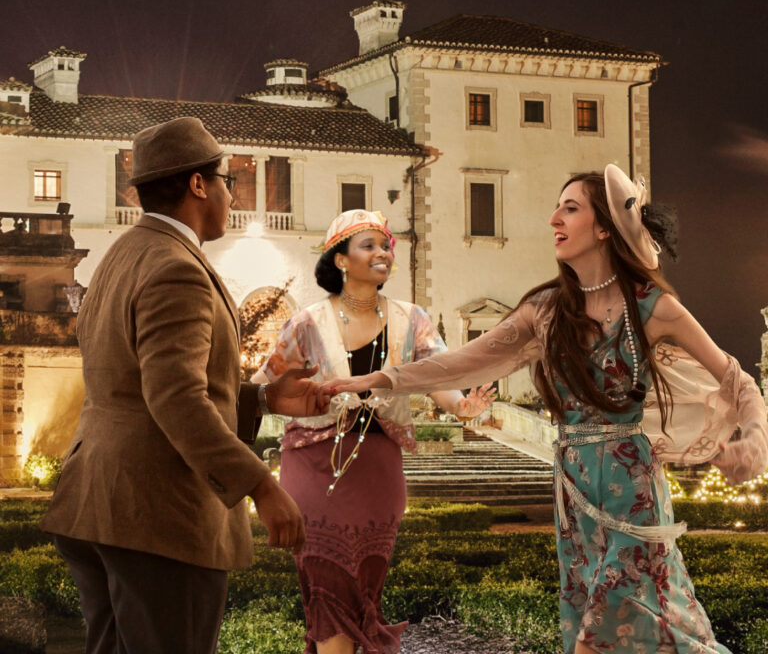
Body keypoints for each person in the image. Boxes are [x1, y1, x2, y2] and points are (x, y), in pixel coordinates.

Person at [323, 167, 768, 654]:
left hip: (632, 493)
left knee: (601, 636)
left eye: (570, 208)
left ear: (605, 227)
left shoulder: (653, 306)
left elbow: (738, 381)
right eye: (557, 206)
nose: (553, 217)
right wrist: (378, 378)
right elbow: (455, 365)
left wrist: (754, 442)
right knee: (616, 631)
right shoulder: (545, 311)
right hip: (572, 497)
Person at [41, 117, 328, 654]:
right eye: (227, 181)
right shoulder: (177, 267)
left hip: (99, 500)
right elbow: (174, 397)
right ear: (199, 185)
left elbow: (140, 383)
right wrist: (261, 486)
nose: (229, 194)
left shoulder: (122, 255)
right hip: (157, 515)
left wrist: (263, 397)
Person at [251, 209, 495, 654]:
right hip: (312, 462)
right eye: (369, 246)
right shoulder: (307, 322)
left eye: (385, 246)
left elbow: (436, 372)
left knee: (365, 585)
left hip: (379, 471)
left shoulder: (412, 318)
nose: (382, 253)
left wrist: (462, 405)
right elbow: (264, 387)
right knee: (326, 583)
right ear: (340, 259)